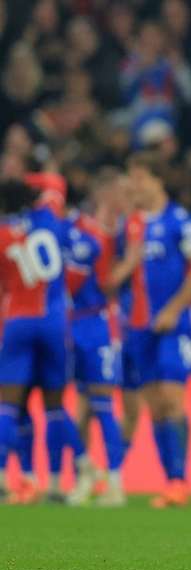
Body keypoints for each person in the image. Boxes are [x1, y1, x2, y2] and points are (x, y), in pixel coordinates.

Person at [111, 152, 191, 509]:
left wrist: (173, 309)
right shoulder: (130, 225)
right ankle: (170, 481)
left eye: (140, 179)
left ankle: (179, 481)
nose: (133, 186)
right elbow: (117, 276)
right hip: (138, 326)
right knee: (154, 406)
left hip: (174, 326)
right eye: (131, 179)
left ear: (158, 181)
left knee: (172, 399)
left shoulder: (178, 221)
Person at [0, 180, 92, 504]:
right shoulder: (49, 218)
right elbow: (55, 182)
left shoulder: (2, 234)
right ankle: (79, 469)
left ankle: (2, 477)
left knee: (7, 405)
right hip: (54, 323)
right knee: (55, 407)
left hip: (18, 322)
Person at [65, 171, 128, 507]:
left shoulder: (114, 233)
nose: (125, 200)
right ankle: (86, 478)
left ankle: (115, 481)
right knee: (83, 405)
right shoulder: (89, 232)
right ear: (104, 193)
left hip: (100, 325)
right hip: (78, 322)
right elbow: (103, 283)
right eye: (120, 192)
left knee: (101, 404)